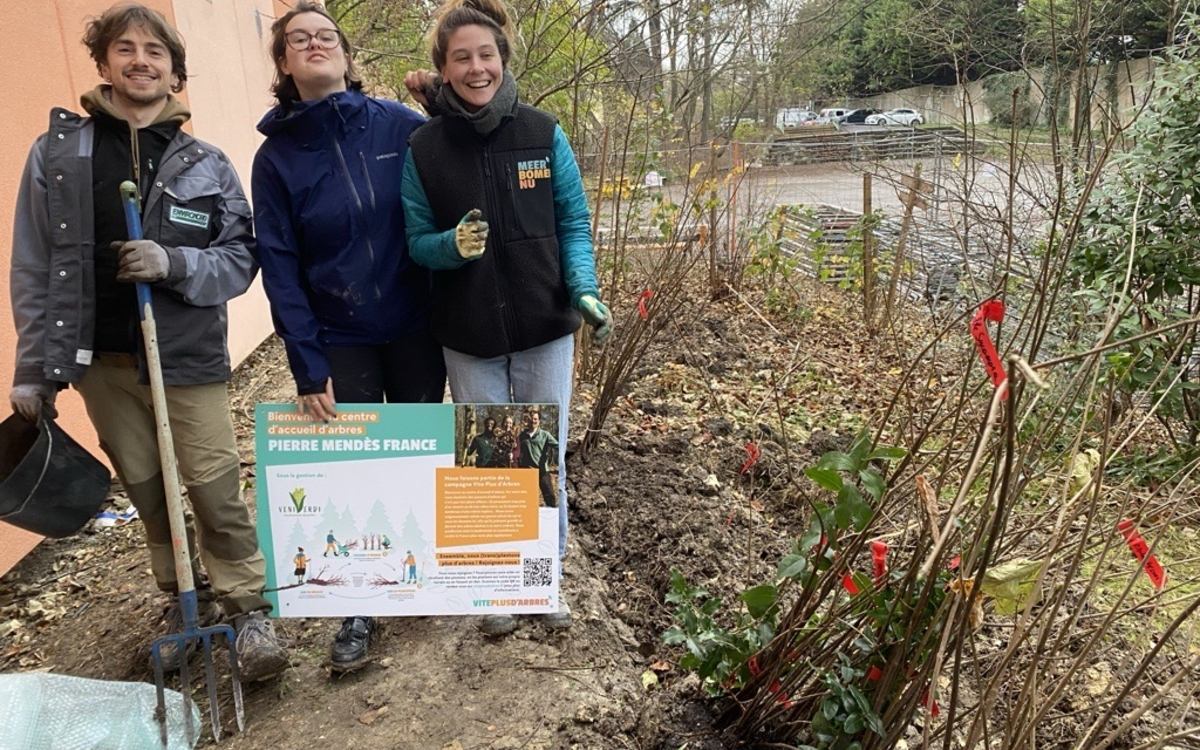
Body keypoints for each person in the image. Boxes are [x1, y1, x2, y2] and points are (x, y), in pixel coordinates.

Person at [7, 3, 287, 681]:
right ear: (102, 63)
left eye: (155, 52)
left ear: (174, 71)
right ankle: (183, 601)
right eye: (125, 49)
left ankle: (247, 606)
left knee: (214, 484)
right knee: (148, 487)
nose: (140, 61)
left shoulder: (205, 162)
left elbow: (241, 258)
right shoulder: (59, 155)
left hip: (186, 355)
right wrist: (33, 368)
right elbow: (35, 264)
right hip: (99, 360)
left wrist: (174, 263)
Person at [401, 0, 614, 636]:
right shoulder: (424, 148)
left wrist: (584, 291)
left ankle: (541, 583)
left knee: (544, 454)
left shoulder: (542, 133)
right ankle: (497, 586)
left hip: (546, 327)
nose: (476, 67)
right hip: (468, 334)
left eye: (485, 54)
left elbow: (572, 222)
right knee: (488, 455)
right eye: (461, 57)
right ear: (443, 68)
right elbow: (416, 240)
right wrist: (449, 247)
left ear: (502, 59)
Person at [251, 1, 446, 674]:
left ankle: (419, 575)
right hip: (341, 334)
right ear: (284, 62)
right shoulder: (276, 159)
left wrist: (442, 99)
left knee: (417, 450)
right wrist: (307, 365)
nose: (313, 44)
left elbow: (460, 160)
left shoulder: (396, 123)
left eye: (325, 36)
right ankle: (359, 605)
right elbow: (278, 264)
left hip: (417, 322)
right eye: (298, 38)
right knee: (357, 469)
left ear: (345, 54)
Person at [517, 410, 558, 507]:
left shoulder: (545, 435)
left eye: (535, 419)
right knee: (527, 499)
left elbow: (557, 446)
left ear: (539, 421)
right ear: (527, 420)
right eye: (531, 419)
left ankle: (550, 517)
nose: (533, 421)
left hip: (542, 471)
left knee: (550, 497)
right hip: (527, 471)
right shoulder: (522, 436)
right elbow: (516, 450)